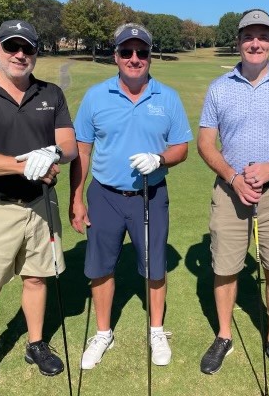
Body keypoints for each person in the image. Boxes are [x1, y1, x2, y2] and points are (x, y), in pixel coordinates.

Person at [0, 20, 78, 396]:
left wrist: (51, 153)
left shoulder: (50, 93)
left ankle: (35, 343)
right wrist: (24, 165)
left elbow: (68, 145)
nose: (20, 54)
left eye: (28, 48)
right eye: (12, 47)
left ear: (37, 53)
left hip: (40, 204)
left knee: (37, 277)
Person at [197, 9, 269, 381]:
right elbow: (205, 143)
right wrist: (233, 178)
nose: (256, 43)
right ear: (239, 41)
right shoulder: (219, 87)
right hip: (231, 191)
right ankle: (224, 335)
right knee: (225, 267)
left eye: (263, 36)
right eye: (249, 36)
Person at [69, 22, 192, 370]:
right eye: (127, 51)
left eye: (141, 52)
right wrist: (76, 199)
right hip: (105, 195)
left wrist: (160, 159)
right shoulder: (96, 96)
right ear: (116, 56)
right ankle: (103, 332)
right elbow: (82, 150)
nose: (134, 58)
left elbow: (181, 147)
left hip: (150, 195)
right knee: (99, 267)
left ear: (150, 56)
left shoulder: (167, 97)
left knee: (154, 266)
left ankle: (156, 330)